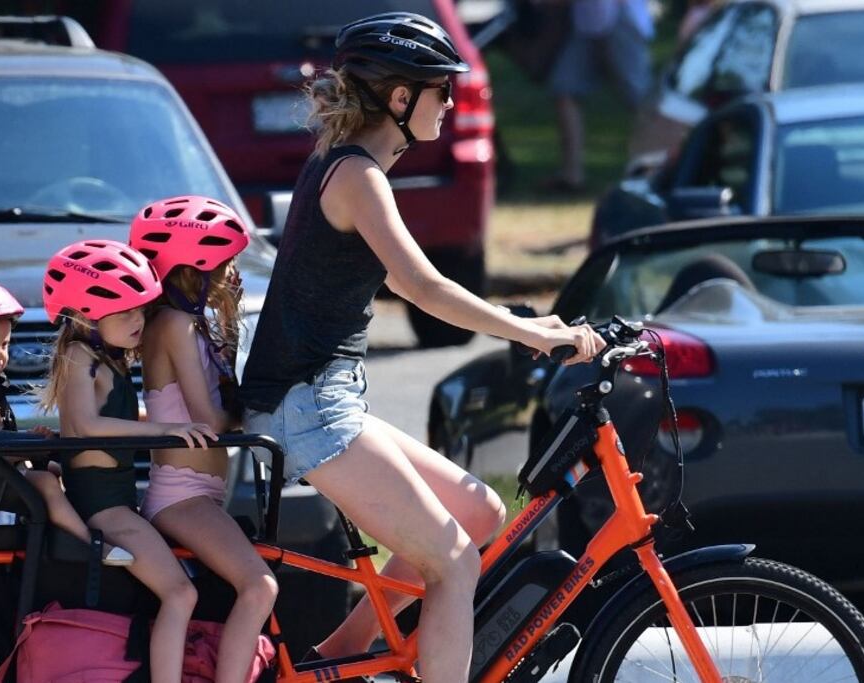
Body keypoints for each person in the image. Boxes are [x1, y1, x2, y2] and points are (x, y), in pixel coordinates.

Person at [239, 12, 605, 681]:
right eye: (443, 90)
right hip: (308, 408)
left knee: (481, 509)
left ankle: (332, 665)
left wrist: (533, 328)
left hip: (322, 400)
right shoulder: (356, 176)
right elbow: (423, 285)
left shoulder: (347, 162)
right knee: (454, 559)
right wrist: (534, 332)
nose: (452, 103)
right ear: (400, 98)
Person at [38, 239, 217, 683]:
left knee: (177, 591)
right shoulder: (80, 356)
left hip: (116, 499)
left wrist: (172, 418)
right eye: (124, 312)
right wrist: (165, 431)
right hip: (104, 506)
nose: (138, 320)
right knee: (179, 594)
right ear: (83, 315)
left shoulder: (108, 359)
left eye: (142, 309)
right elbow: (85, 425)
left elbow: (116, 418)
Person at [129, 195, 276, 683]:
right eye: (223, 264)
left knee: (252, 587)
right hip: (181, 496)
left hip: (199, 496)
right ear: (191, 268)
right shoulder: (174, 324)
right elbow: (210, 418)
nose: (233, 275)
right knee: (258, 587)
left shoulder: (187, 323)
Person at [0, 277, 132, 566]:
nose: (0, 356)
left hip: (4, 472)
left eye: (5, 344)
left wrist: (33, 441)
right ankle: (91, 545)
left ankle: (89, 528)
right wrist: (32, 446)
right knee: (47, 483)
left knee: (66, 471)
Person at [544, 0, 655, 192]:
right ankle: (572, 175)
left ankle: (658, 169)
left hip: (620, 16)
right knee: (565, 88)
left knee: (641, 99)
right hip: (588, 23)